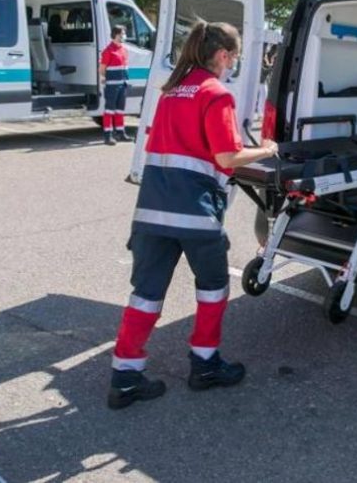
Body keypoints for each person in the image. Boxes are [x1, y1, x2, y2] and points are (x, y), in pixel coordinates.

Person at [107, 20, 279, 409]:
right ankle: (205, 364)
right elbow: (227, 157)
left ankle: (125, 377)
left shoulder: (171, 91)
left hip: (152, 211)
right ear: (222, 55)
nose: (233, 64)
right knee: (214, 287)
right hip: (195, 214)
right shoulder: (215, 94)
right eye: (233, 57)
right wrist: (267, 150)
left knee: (146, 294)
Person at [99, 25, 130, 145]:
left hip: (123, 84)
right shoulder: (108, 51)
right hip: (112, 85)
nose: (124, 36)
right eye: (122, 34)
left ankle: (120, 133)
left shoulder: (124, 49)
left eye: (124, 34)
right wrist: (103, 78)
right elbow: (102, 69)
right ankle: (108, 136)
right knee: (109, 110)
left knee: (120, 110)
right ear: (116, 35)